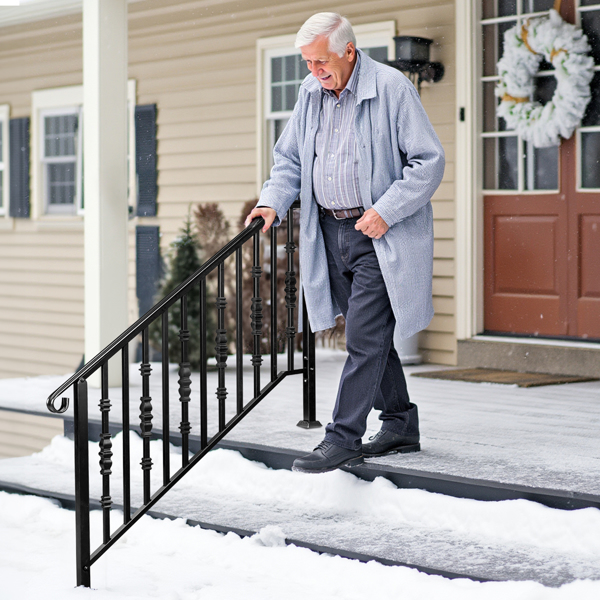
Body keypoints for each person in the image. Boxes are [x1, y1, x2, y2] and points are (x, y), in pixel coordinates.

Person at [245, 12, 445, 473]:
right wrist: (272, 201)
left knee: (362, 336)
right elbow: (290, 159)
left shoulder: (393, 88)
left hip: (380, 233)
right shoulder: (310, 94)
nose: (313, 71)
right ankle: (399, 423)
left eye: (320, 61)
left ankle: (342, 437)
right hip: (331, 231)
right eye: (308, 63)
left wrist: (386, 211)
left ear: (349, 51)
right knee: (369, 336)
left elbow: (428, 162)